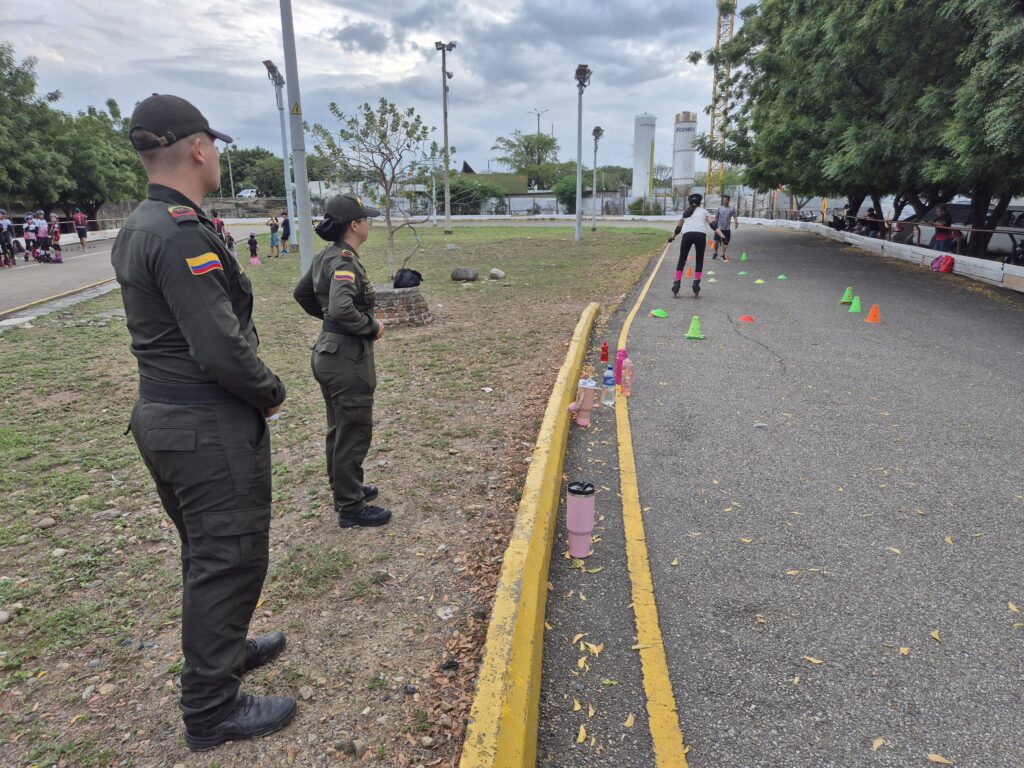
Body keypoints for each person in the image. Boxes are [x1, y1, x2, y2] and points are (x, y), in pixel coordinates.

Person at [110, 93, 295, 752]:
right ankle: (211, 709)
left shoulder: (143, 223)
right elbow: (218, 345)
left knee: (207, 553)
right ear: (197, 148)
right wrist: (269, 390)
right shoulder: (178, 232)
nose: (215, 154)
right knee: (229, 558)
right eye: (212, 144)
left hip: (166, 417)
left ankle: (227, 649)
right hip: (203, 424)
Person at [293, 194, 392, 529]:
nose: (369, 224)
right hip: (347, 358)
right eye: (366, 219)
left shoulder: (328, 255)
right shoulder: (345, 262)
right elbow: (340, 307)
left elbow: (303, 294)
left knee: (340, 429)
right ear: (354, 225)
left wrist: (330, 322)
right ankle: (351, 507)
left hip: (329, 353)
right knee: (353, 431)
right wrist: (370, 326)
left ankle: (346, 488)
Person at [667, 193, 725, 298]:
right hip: (700, 235)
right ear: (700, 202)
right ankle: (696, 284)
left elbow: (678, 228)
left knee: (682, 260)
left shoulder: (685, 212)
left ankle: (676, 284)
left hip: (687, 235)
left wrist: (672, 237)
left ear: (689, 203)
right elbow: (713, 225)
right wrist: (722, 236)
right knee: (699, 260)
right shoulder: (703, 211)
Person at [712, 194, 739, 260]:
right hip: (719, 228)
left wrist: (736, 223)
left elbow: (735, 217)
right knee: (716, 241)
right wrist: (714, 224)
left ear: (729, 200)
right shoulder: (719, 208)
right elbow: (716, 217)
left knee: (725, 242)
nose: (724, 201)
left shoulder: (732, 209)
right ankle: (715, 253)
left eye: (726, 200)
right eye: (723, 200)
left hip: (726, 229)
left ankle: (723, 255)